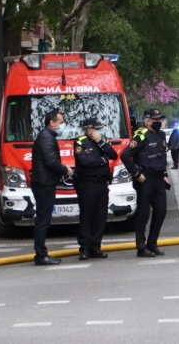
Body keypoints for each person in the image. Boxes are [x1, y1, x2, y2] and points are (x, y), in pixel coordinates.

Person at [121, 109, 170, 258]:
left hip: (158, 177)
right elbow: (125, 155)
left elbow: (162, 155)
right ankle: (141, 247)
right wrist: (136, 174)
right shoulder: (141, 136)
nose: (158, 123)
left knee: (161, 211)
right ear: (148, 121)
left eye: (159, 120)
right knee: (143, 214)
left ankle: (152, 243)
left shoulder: (161, 135)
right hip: (145, 178)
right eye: (156, 120)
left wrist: (165, 173)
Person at [31, 110, 73, 266]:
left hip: (44, 182)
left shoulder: (46, 136)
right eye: (60, 122)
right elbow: (50, 161)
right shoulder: (46, 138)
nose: (62, 125)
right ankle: (41, 255)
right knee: (43, 220)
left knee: (43, 219)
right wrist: (65, 169)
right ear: (52, 122)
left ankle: (41, 253)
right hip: (44, 184)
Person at [73, 117, 118, 260]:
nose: (99, 130)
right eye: (97, 128)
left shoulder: (103, 141)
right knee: (87, 216)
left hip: (101, 183)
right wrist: (103, 160)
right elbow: (85, 162)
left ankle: (96, 246)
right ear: (89, 129)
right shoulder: (80, 142)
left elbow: (113, 155)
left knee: (100, 216)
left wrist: (100, 141)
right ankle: (84, 248)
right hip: (87, 184)